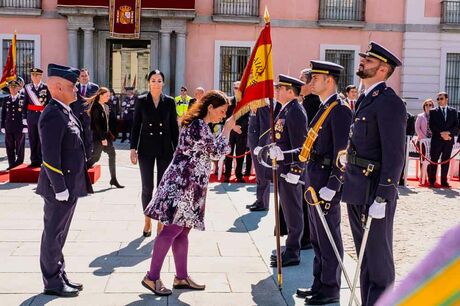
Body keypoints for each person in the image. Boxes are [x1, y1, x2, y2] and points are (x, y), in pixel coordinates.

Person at [141, 90, 235, 296]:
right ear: (210, 107)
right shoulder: (198, 126)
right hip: (183, 185)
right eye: (222, 111)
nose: (223, 115)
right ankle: (152, 277)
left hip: (191, 185)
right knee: (172, 230)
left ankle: (181, 277)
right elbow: (217, 152)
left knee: (182, 231)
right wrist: (227, 129)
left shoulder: (200, 125)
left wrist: (224, 129)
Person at [341, 41, 406, 306]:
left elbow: (395, 154)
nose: (362, 63)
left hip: (374, 190)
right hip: (357, 186)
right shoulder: (367, 98)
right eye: (364, 60)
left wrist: (383, 195)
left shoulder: (389, 103)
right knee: (364, 255)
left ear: (383, 69)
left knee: (378, 258)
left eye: (368, 61)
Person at [297, 61, 352, 305]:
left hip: (325, 182)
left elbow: (343, 151)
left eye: (316, 78)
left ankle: (330, 287)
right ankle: (319, 283)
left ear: (329, 80)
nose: (311, 82)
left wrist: (334, 183)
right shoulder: (324, 107)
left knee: (329, 236)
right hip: (313, 178)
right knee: (318, 237)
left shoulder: (339, 109)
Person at [36, 63, 92, 298]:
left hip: (70, 185)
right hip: (59, 188)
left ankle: (59, 273)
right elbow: (49, 157)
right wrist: (59, 188)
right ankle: (52, 282)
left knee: (60, 234)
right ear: (58, 88)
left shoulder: (64, 111)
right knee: (53, 233)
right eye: (72, 86)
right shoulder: (52, 115)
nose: (76, 91)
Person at [130, 69, 179, 237]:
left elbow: (174, 128)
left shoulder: (170, 102)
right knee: (147, 187)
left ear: (163, 83)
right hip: (146, 148)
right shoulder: (141, 100)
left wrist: (178, 150)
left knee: (162, 187)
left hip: (165, 148)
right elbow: (136, 126)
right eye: (153, 80)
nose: (156, 83)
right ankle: (147, 220)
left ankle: (160, 221)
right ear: (148, 82)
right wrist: (132, 149)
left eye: (159, 80)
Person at [265, 74, 307, 268]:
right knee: (289, 212)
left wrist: (296, 170)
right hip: (282, 169)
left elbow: (301, 146)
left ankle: (293, 251)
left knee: (294, 212)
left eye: (280, 88)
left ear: (290, 91)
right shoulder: (285, 110)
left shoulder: (295, 111)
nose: (276, 90)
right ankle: (290, 247)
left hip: (291, 171)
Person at [87, 87, 124, 188]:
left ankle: (113, 179)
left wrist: (109, 136)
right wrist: (102, 138)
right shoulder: (95, 107)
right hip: (99, 137)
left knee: (112, 154)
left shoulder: (106, 106)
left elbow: (106, 124)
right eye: (107, 95)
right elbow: (97, 125)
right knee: (96, 157)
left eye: (109, 95)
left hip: (106, 136)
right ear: (100, 95)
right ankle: (81, 171)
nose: (109, 97)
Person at [427, 92, 459, 187]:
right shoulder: (433, 112)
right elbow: (432, 126)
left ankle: (444, 181)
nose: (439, 101)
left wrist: (448, 134)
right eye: (438, 99)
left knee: (446, 161)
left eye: (441, 98)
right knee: (434, 160)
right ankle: (432, 181)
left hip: (448, 140)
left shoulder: (453, 111)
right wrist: (442, 134)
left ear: (446, 99)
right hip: (437, 140)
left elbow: (456, 125)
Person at [22, 67, 51, 167]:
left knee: (41, 139)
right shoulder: (28, 88)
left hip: (42, 117)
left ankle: (41, 159)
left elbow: (49, 102)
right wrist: (24, 117)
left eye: (36, 75)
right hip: (31, 117)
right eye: (32, 75)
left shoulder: (46, 87)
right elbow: (25, 103)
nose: (33, 77)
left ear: (40, 76)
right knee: (32, 138)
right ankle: (34, 160)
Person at [245, 100, 271, 211]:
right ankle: (259, 199)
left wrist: (261, 145)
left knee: (262, 174)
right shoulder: (254, 106)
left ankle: (263, 203)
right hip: (254, 144)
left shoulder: (263, 106)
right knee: (259, 175)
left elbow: (266, 127)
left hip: (259, 147)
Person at [224, 81, 248, 183]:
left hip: (241, 132)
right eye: (235, 88)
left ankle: (239, 175)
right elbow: (225, 116)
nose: (236, 90)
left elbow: (248, 117)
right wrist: (233, 127)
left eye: (238, 88)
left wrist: (239, 127)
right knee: (228, 154)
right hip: (231, 132)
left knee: (240, 154)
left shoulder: (246, 102)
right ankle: (227, 175)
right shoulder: (229, 102)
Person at [1, 78, 27, 170]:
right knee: (9, 146)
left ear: (18, 88)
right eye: (11, 87)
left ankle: (19, 163)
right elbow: (3, 114)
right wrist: (2, 126)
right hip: (8, 127)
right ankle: (11, 164)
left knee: (20, 146)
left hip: (20, 127)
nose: (12, 89)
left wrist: (25, 126)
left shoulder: (23, 99)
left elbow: (25, 113)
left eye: (14, 87)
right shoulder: (6, 99)